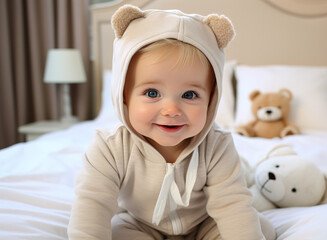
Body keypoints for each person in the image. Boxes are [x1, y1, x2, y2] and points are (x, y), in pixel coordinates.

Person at [68, 4, 275, 240]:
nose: (171, 110)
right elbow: (93, 204)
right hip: (140, 223)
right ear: (124, 96)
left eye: (189, 95)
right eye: (152, 93)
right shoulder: (110, 147)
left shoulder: (217, 145)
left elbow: (231, 205)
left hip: (204, 222)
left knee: (259, 228)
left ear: (211, 100)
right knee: (116, 232)